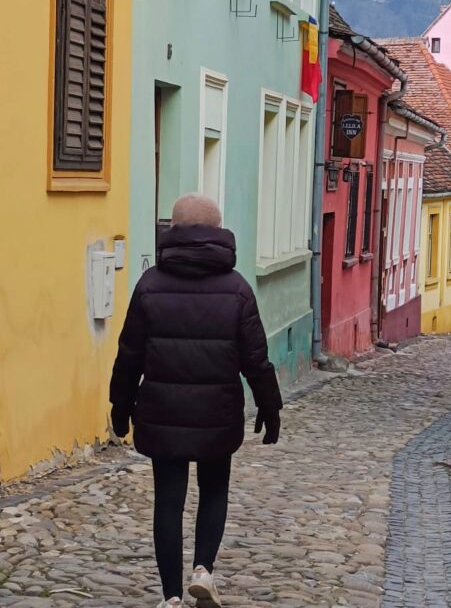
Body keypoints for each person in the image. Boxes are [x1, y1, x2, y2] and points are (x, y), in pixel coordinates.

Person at [109, 194, 282, 608]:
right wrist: (269, 406)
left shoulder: (149, 286)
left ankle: (170, 597)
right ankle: (203, 570)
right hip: (216, 412)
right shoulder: (237, 289)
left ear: (173, 232)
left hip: (161, 411)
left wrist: (120, 406)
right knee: (214, 488)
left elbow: (129, 354)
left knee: (168, 501)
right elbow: (255, 358)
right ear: (219, 232)